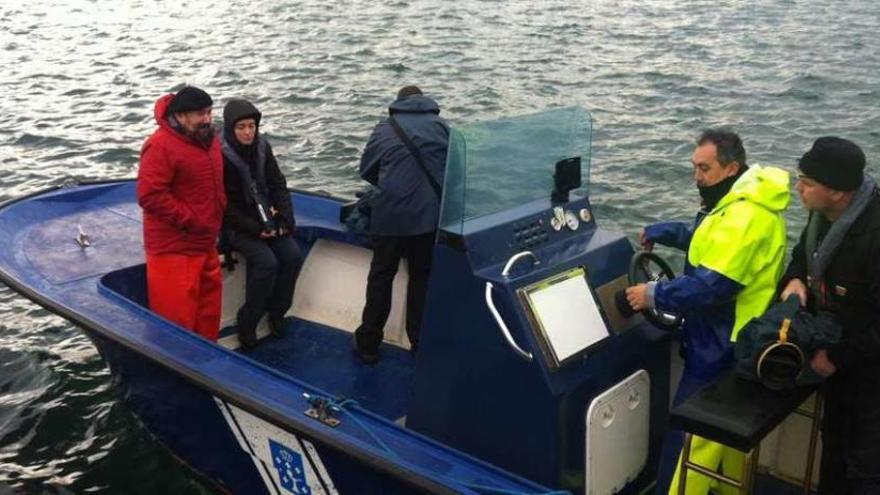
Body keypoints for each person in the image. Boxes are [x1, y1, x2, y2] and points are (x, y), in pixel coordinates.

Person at [624, 130, 790, 494]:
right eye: (694, 168)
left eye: (705, 168)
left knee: (690, 439)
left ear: (731, 167)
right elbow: (709, 239)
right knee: (724, 446)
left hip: (722, 343)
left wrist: (651, 293)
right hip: (723, 336)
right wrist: (664, 232)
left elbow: (710, 286)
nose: (697, 177)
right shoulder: (737, 202)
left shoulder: (746, 216)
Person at [779, 137, 880, 495]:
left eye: (807, 182)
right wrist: (793, 278)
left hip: (868, 366)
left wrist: (836, 357)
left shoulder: (874, 235)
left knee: (866, 464)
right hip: (838, 347)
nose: (797, 188)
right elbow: (802, 255)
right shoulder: (822, 216)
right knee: (834, 446)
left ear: (837, 192)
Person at [352, 86, 449, 365]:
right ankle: (418, 343)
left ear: (399, 103)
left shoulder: (385, 128)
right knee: (421, 278)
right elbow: (454, 169)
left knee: (382, 277)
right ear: (423, 102)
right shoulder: (442, 127)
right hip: (428, 219)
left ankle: (369, 343)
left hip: (390, 217)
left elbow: (366, 170)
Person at [137, 86, 226, 341]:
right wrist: (191, 220)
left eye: (209, 112)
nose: (207, 118)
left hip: (205, 241)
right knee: (176, 328)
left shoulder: (210, 141)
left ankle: (206, 371)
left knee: (208, 317)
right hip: (173, 249)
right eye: (200, 114)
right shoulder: (160, 145)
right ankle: (178, 375)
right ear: (182, 116)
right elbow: (150, 195)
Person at [221, 98, 303, 349]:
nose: (248, 132)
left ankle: (277, 313)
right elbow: (224, 206)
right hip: (237, 225)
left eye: (252, 126)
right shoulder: (220, 157)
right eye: (241, 127)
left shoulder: (263, 148)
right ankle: (248, 322)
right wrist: (256, 229)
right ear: (230, 129)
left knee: (292, 256)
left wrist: (284, 218)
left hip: (266, 217)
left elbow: (277, 184)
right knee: (266, 262)